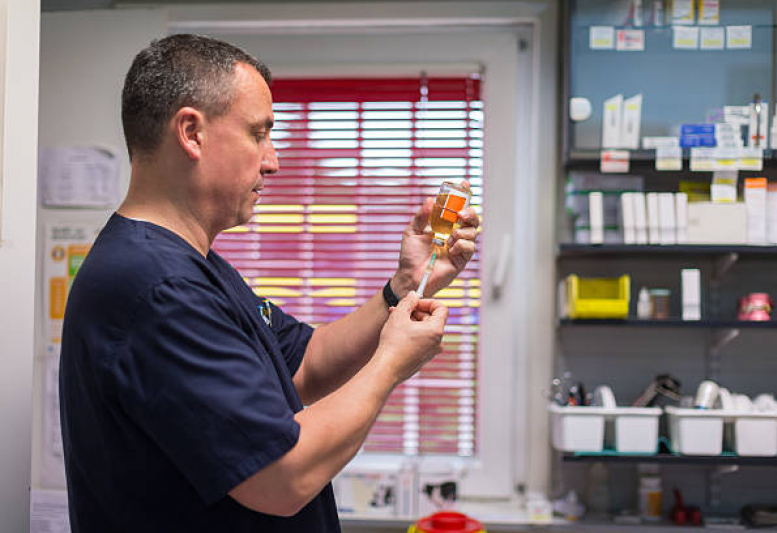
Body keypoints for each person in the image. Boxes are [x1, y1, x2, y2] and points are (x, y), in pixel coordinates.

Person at [59, 34, 480, 533]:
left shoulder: (193, 268)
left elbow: (304, 364)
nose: (273, 160)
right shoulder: (156, 289)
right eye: (259, 133)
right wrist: (391, 363)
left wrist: (405, 285)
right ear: (191, 133)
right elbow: (281, 478)